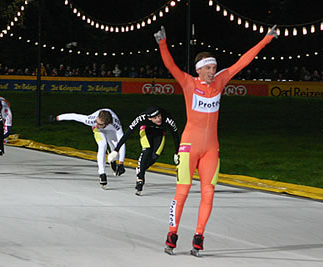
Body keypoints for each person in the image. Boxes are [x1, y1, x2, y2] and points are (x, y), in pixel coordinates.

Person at [154, 25, 278, 255]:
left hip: (211, 148)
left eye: (215, 68)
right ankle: (172, 233)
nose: (213, 71)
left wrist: (266, 40)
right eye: (209, 68)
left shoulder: (221, 81)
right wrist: (162, 42)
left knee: (208, 193)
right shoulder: (189, 83)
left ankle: (199, 236)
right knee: (182, 191)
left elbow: (243, 61)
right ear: (199, 70)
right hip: (189, 146)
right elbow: (170, 65)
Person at [107, 106, 180, 196]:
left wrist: (177, 152)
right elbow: (127, 133)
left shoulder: (167, 119)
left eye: (159, 116)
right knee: (147, 150)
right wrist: (116, 150)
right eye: (155, 118)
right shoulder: (141, 118)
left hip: (160, 132)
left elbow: (175, 136)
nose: (158, 119)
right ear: (149, 118)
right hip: (146, 129)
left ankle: (140, 169)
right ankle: (140, 179)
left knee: (155, 156)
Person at [48, 109, 126, 189]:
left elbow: (122, 142)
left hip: (111, 130)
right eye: (97, 122)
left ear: (106, 124)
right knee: (103, 145)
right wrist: (56, 118)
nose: (96, 124)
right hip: (99, 131)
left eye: (99, 123)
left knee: (116, 150)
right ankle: (102, 174)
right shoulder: (92, 120)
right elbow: (75, 116)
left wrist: (121, 163)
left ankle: (113, 160)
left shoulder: (116, 125)